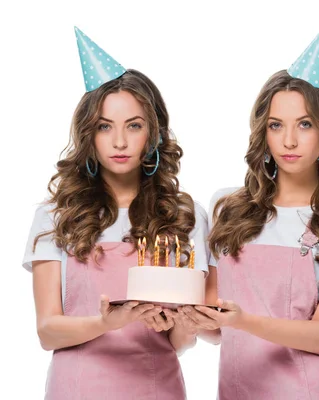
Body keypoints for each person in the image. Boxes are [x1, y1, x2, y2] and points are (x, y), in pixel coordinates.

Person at [178, 22, 319, 399]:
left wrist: (245, 321)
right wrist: (187, 316)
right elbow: (216, 329)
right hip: (239, 390)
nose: (289, 140)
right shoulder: (227, 208)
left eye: (305, 124)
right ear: (262, 134)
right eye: (276, 125)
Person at [22, 27, 208, 399]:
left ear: (153, 133)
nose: (120, 142)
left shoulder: (185, 216)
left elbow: (180, 342)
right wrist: (107, 322)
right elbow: (47, 332)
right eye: (105, 127)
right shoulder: (56, 215)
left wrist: (185, 325)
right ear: (88, 134)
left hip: (157, 387)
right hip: (76, 388)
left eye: (134, 126)